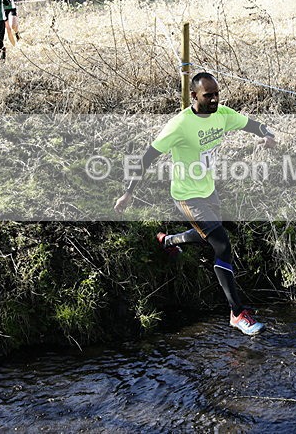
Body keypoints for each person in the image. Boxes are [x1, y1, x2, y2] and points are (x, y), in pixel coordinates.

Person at [114, 72, 276, 336]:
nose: (213, 99)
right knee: (221, 243)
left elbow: (251, 125)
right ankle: (237, 313)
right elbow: (147, 157)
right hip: (187, 196)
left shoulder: (222, 113)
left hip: (208, 190)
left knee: (209, 235)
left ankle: (168, 242)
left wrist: (267, 134)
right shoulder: (179, 125)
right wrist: (128, 193)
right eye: (207, 95)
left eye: (216, 94)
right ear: (193, 96)